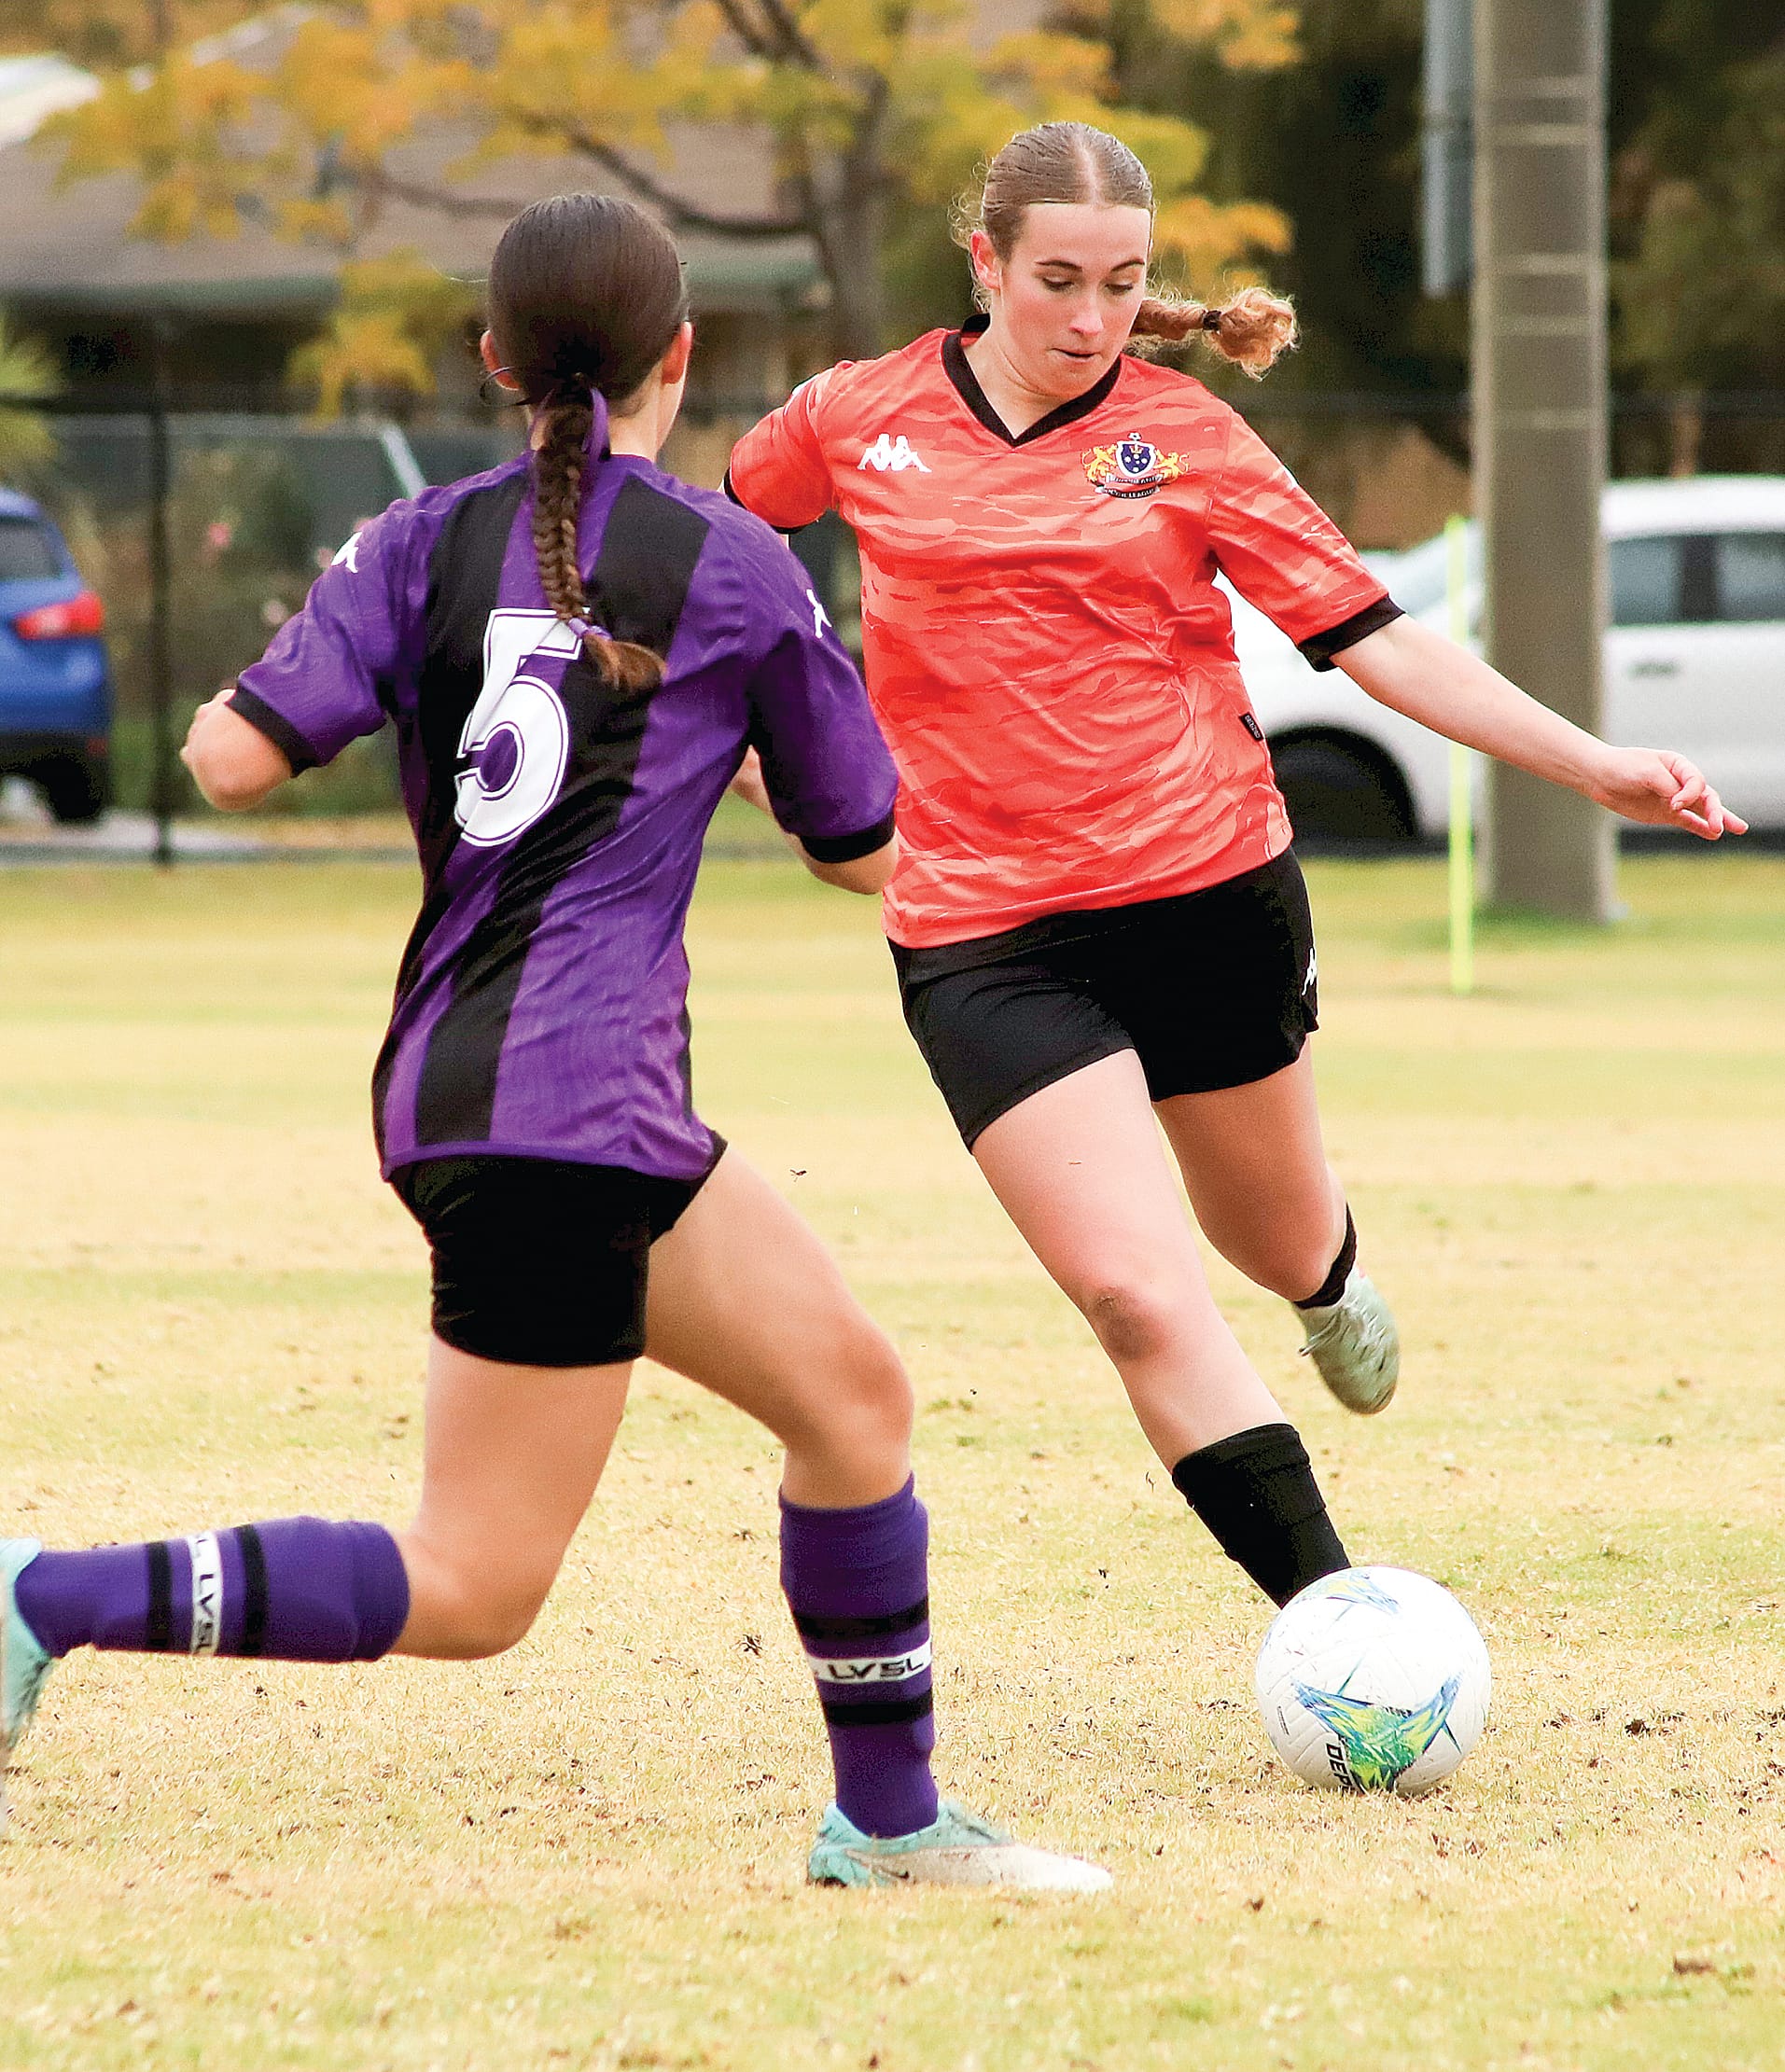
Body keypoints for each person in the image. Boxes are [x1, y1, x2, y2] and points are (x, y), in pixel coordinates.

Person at [0, 194, 1110, 1894]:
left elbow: (226, 761)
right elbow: (862, 845)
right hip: (567, 1112)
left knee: (854, 1397)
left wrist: (350, 619)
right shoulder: (736, 569)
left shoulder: (411, 542)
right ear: (681, 358)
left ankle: (887, 1824)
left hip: (492, 1090)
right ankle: (38, 1599)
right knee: (475, 1587)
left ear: (491, 360)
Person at [724, 121, 1745, 1616]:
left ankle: (1328, 1278)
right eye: (1056, 280)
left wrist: (1593, 765)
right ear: (982, 262)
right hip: (980, 929)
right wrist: (771, 741)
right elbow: (721, 553)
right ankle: (1342, 1631)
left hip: (1206, 890)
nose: (1087, 319)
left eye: (1122, 284)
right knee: (1137, 1295)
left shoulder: (1185, 435)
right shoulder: (850, 414)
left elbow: (1376, 639)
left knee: (1269, 1238)